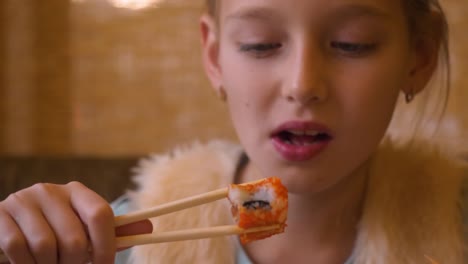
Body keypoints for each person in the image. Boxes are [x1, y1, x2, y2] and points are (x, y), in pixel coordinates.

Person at [0, 0, 466, 263]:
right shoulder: (124, 242)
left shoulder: (457, 232)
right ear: (214, 56)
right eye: (260, 44)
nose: (302, 85)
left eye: (352, 44)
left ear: (418, 59)